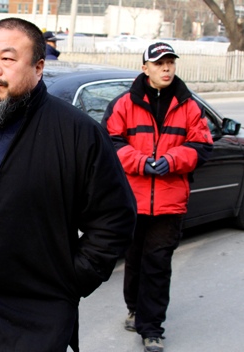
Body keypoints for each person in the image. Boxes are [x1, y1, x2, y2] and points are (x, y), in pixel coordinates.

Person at [0, 17, 137, 352]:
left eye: (7, 59)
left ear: (38, 67)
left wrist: (72, 279)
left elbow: (115, 219)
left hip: (33, 318)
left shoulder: (76, 133)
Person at [101, 42, 214, 352]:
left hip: (170, 202)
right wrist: (140, 162)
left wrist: (171, 160)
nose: (166, 68)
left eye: (170, 62)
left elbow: (203, 146)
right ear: (145, 67)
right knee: (135, 260)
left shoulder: (189, 105)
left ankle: (152, 328)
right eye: (159, 62)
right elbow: (109, 142)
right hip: (132, 201)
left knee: (158, 264)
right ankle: (135, 309)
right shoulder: (123, 104)